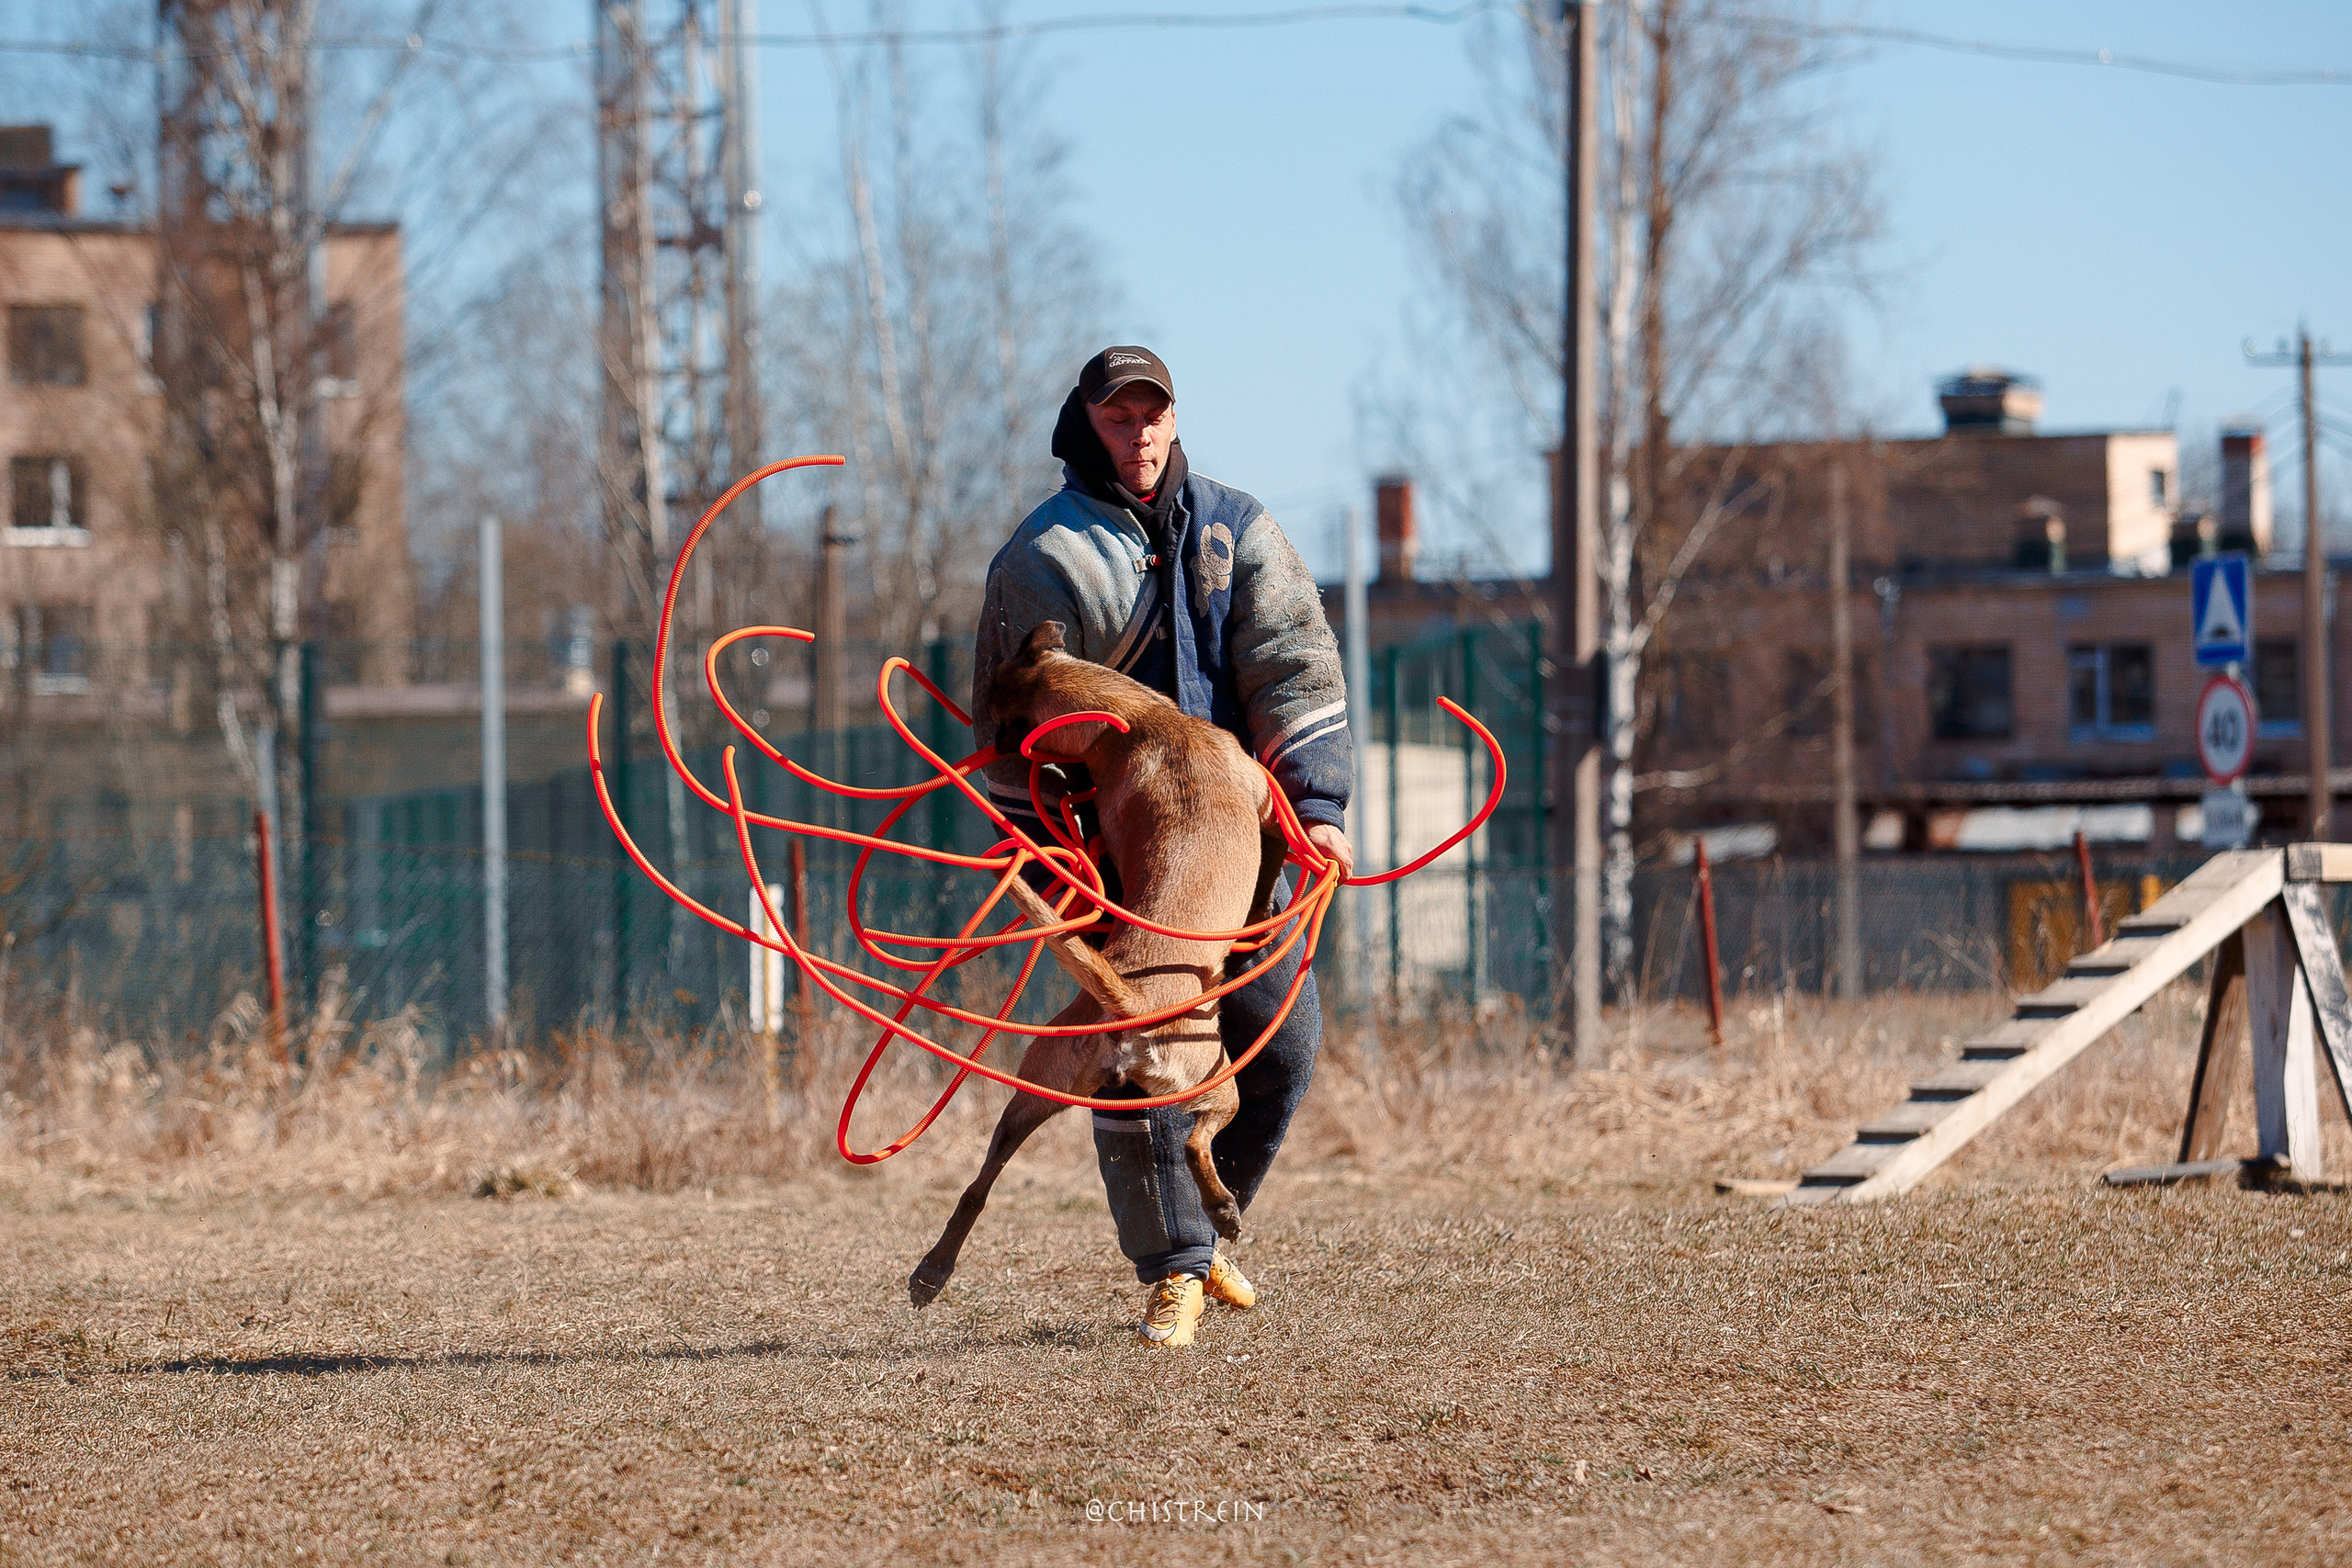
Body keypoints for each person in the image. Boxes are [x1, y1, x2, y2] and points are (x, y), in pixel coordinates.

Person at [970, 345, 1355, 1349]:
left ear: (1175, 419)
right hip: (1117, 853)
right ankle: (1175, 1271)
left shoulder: (1236, 530)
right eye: (1116, 417)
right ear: (1085, 425)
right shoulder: (1043, 558)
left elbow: (1292, 667)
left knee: (1284, 1043)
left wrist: (1318, 806)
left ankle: (1213, 1235)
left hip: (1248, 850)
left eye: (1153, 413)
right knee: (1137, 1059)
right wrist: (1042, 849)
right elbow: (1012, 724)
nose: (1138, 432)